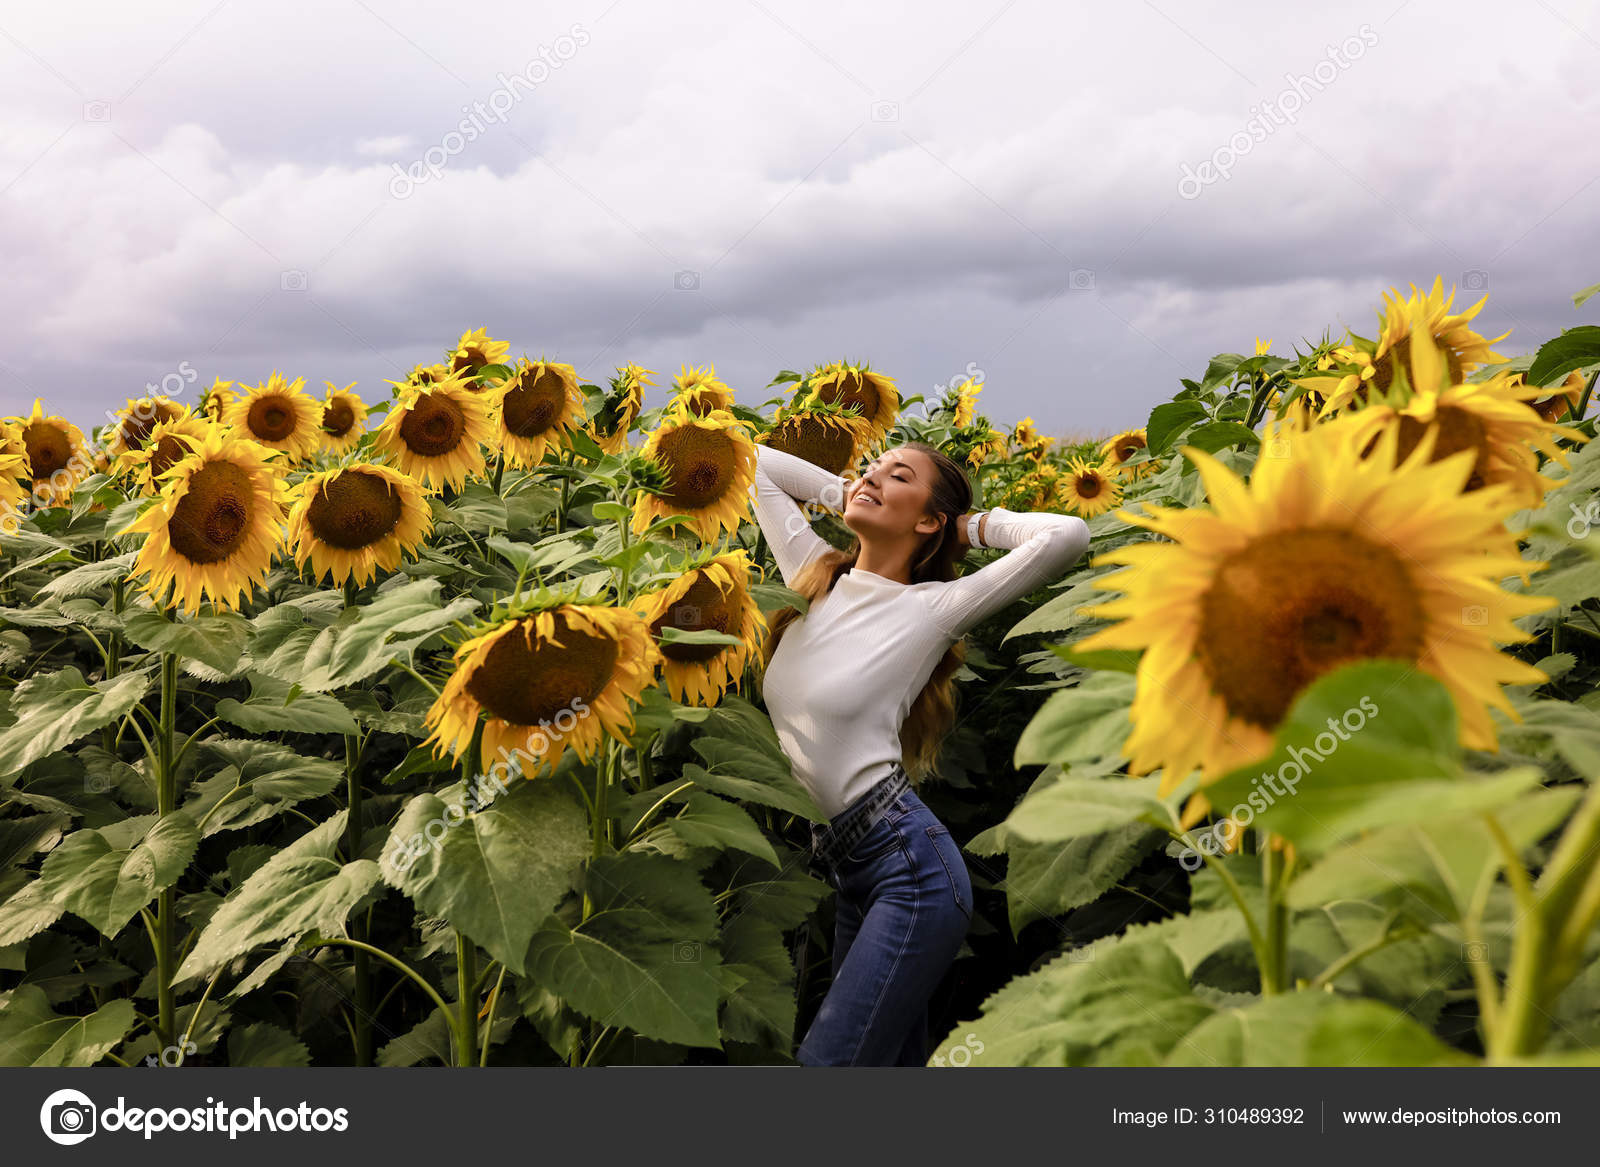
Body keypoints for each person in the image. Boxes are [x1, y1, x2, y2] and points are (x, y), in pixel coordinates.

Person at [747, 439, 1090, 1066]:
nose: (871, 476)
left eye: (897, 475)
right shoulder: (814, 573)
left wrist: (970, 527)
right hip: (848, 866)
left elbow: (1067, 534)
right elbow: (753, 463)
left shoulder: (930, 610)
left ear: (929, 520)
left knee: (829, 1065)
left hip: (908, 869)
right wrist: (846, 490)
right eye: (870, 467)